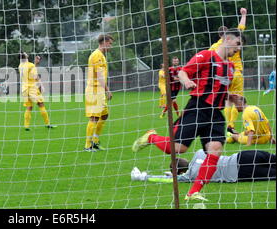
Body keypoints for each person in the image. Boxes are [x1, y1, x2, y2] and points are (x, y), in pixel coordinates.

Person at [132, 28, 245, 201]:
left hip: (215, 114)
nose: (238, 49)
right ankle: (151, 137)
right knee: (177, 148)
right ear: (227, 39)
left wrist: (232, 99)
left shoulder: (230, 68)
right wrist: (186, 81)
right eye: (237, 44)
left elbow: (219, 91)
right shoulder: (206, 56)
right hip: (197, 108)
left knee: (215, 151)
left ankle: (193, 192)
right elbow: (182, 72)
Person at [131, 149, 276, 186]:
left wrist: (143, 176)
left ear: (179, 172)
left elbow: (169, 180)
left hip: (240, 172)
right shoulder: (199, 153)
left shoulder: (191, 176)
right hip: (243, 156)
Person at [209, 8, 247, 134]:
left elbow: (208, 56)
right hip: (236, 72)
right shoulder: (235, 40)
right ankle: (231, 125)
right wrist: (244, 14)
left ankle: (228, 126)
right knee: (238, 99)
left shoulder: (215, 45)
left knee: (228, 101)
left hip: (224, 75)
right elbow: (241, 26)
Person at [84, 34, 114, 152]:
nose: (111, 46)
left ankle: (95, 141)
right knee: (94, 118)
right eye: (110, 43)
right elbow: (100, 75)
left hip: (99, 90)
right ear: (104, 42)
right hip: (95, 90)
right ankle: (87, 145)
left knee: (104, 115)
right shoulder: (97, 56)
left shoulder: (100, 55)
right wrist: (107, 90)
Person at [19, 52, 56, 131]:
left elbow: (30, 70)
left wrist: (35, 63)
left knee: (29, 107)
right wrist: (41, 86)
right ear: (26, 55)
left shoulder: (20, 65)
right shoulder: (30, 65)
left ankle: (26, 126)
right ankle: (47, 124)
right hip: (32, 88)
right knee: (41, 104)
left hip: (24, 89)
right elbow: (35, 76)